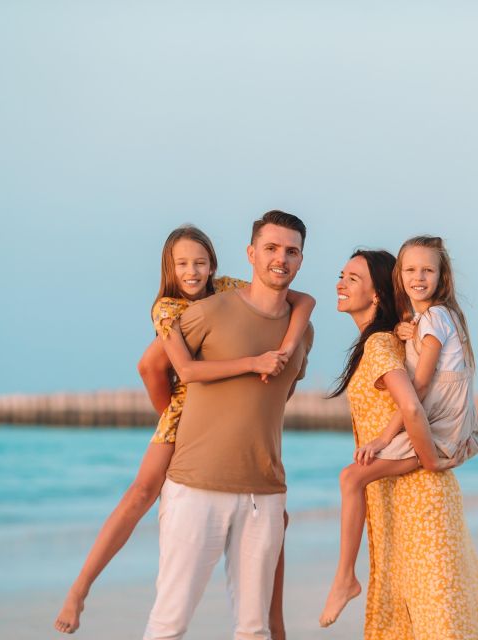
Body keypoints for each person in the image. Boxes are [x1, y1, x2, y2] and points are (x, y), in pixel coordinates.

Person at [54, 223, 313, 637]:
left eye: (200, 262)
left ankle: (274, 625)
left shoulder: (227, 289)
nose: (192, 272)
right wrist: (172, 413)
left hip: (245, 456)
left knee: (274, 519)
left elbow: (303, 299)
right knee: (140, 494)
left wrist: (285, 349)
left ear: (213, 265)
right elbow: (166, 369)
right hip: (184, 406)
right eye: (182, 264)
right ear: (169, 269)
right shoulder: (169, 310)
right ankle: (80, 588)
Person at [143, 210, 313, 640]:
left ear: (300, 260)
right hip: (195, 488)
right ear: (251, 254)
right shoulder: (207, 311)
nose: (281, 258)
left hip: (265, 493)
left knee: (253, 628)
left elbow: (280, 395)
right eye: (271, 248)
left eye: (291, 251)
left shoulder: (302, 331)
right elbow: (153, 366)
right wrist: (178, 425)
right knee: (169, 623)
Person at [325, 249, 478, 638]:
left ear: (377, 294)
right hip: (403, 495)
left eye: (352, 278)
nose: (340, 283)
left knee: (437, 616)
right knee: (425, 615)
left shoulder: (378, 346)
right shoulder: (395, 337)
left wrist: (429, 459)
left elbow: (412, 400)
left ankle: (343, 579)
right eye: (341, 275)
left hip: (420, 494)